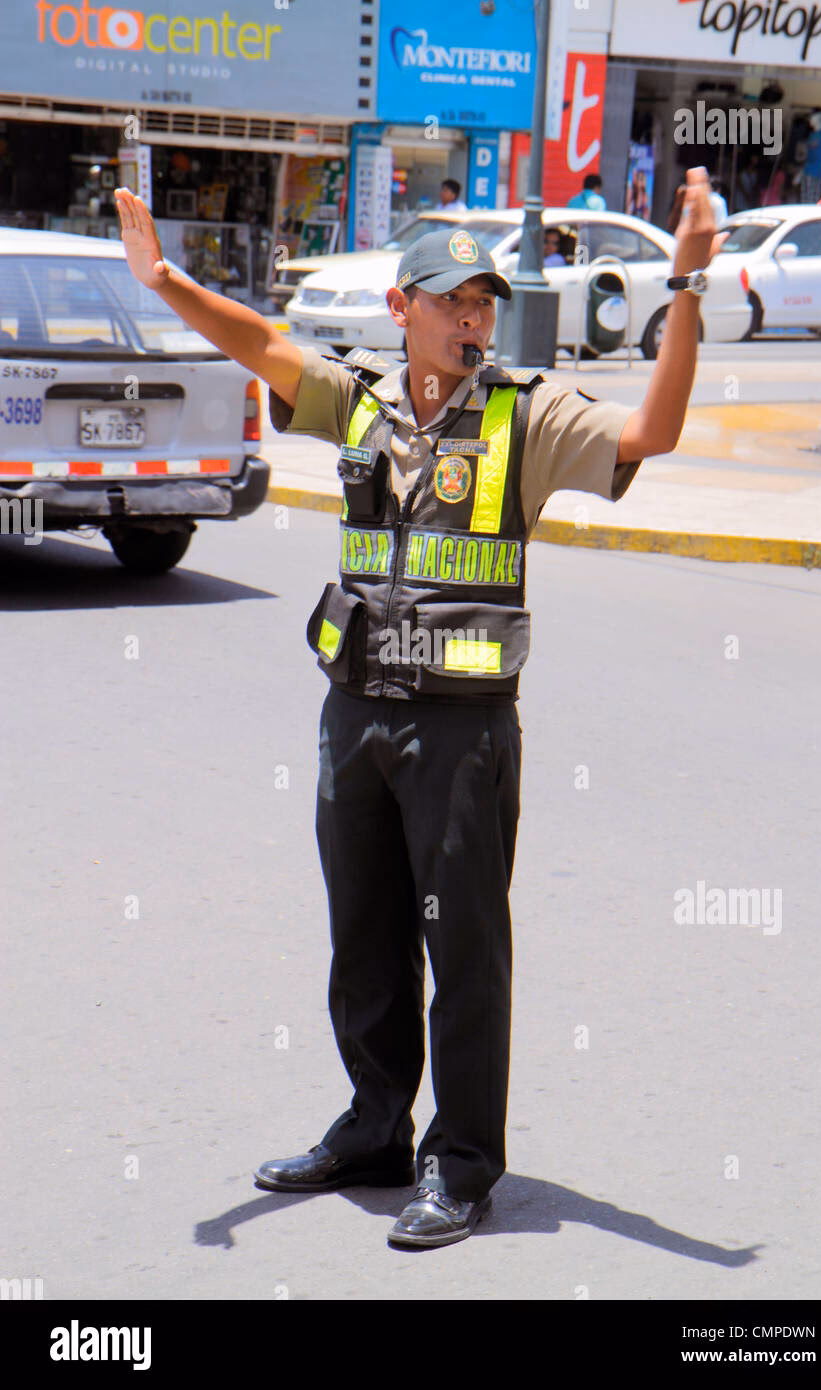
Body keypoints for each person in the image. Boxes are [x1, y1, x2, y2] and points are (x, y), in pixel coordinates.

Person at [114, 167, 726, 1250]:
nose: (471, 317)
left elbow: (654, 433)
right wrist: (163, 279)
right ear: (401, 310)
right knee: (366, 938)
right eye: (451, 300)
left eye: (483, 300)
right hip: (355, 717)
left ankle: (459, 1163)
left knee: (465, 951)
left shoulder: (527, 415)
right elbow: (258, 340)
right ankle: (371, 1127)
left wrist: (682, 285)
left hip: (460, 732)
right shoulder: (357, 401)